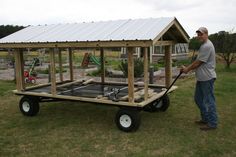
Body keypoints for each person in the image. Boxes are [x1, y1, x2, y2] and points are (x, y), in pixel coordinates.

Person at [181, 27, 218, 131]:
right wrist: (188, 68)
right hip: (202, 78)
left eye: (201, 34)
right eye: (198, 34)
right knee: (198, 99)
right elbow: (197, 61)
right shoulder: (204, 45)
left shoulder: (207, 46)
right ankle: (205, 118)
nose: (199, 36)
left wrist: (187, 69)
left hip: (207, 78)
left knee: (209, 101)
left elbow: (199, 62)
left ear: (206, 34)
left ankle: (212, 123)